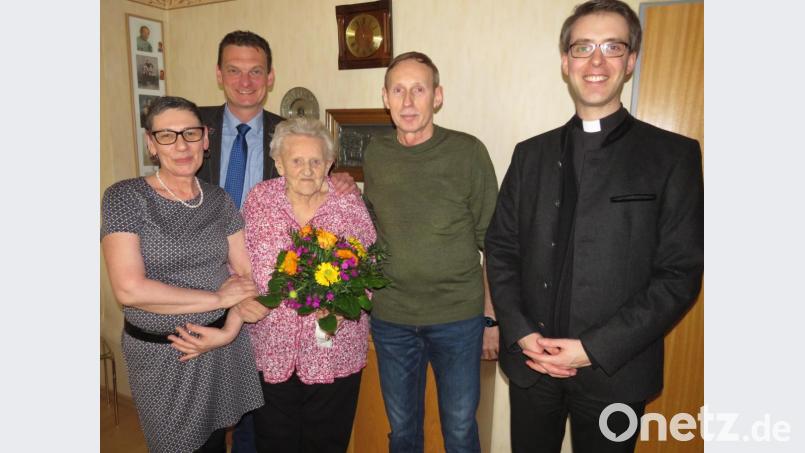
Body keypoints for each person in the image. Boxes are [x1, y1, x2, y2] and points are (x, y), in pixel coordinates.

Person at [484, 1, 704, 452]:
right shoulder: (530, 155)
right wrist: (522, 333)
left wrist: (592, 348)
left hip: (616, 372)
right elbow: (501, 249)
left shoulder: (672, 156)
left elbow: (679, 275)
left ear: (631, 61)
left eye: (612, 47)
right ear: (566, 62)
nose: (597, 60)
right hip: (532, 367)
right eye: (583, 47)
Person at [196, 30, 357, 451]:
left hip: (266, 320)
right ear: (219, 74)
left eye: (255, 71)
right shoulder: (193, 132)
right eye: (234, 70)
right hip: (201, 291)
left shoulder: (288, 135)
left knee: (262, 428)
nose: (245, 80)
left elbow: (362, 255)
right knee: (207, 423)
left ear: (270, 78)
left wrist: (338, 179)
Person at [101, 96, 264, 452]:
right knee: (174, 445)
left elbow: (247, 276)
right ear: (150, 144)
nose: (181, 145)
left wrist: (229, 329)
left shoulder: (220, 200)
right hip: (164, 356)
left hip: (221, 347)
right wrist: (218, 298)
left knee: (217, 441)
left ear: (206, 139)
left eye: (190, 133)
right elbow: (130, 289)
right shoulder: (125, 197)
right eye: (167, 136)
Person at [362, 51, 499, 453]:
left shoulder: (468, 152)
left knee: (459, 429)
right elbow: (372, 223)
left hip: (458, 318)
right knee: (402, 431)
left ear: (437, 97)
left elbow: (492, 240)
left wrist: (491, 317)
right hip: (392, 319)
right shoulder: (375, 154)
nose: (408, 102)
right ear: (384, 97)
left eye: (418, 90)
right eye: (398, 90)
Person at [241, 117, 376, 452]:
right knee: (274, 442)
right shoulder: (259, 200)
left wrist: (347, 305)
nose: (306, 170)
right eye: (296, 160)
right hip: (271, 348)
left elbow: (370, 265)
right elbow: (237, 262)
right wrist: (241, 300)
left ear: (329, 164)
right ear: (278, 163)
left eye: (316, 161)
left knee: (327, 442)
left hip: (334, 350)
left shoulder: (348, 203)